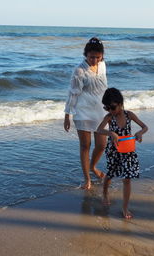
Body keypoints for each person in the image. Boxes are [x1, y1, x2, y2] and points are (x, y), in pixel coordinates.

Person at [97, 88, 148, 219]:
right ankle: (105, 193)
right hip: (113, 151)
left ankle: (125, 207)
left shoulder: (129, 115)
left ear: (120, 103)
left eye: (112, 107)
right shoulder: (109, 117)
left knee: (127, 178)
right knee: (110, 174)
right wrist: (110, 133)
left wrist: (139, 133)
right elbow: (99, 130)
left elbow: (145, 127)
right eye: (106, 108)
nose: (110, 110)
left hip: (128, 150)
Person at [64, 37, 107, 190]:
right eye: (91, 57)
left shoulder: (103, 66)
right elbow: (73, 94)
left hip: (101, 111)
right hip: (82, 112)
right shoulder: (79, 71)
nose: (94, 60)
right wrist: (67, 115)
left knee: (102, 145)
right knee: (85, 146)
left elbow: (104, 88)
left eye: (97, 56)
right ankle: (87, 179)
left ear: (102, 55)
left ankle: (93, 167)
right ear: (85, 55)